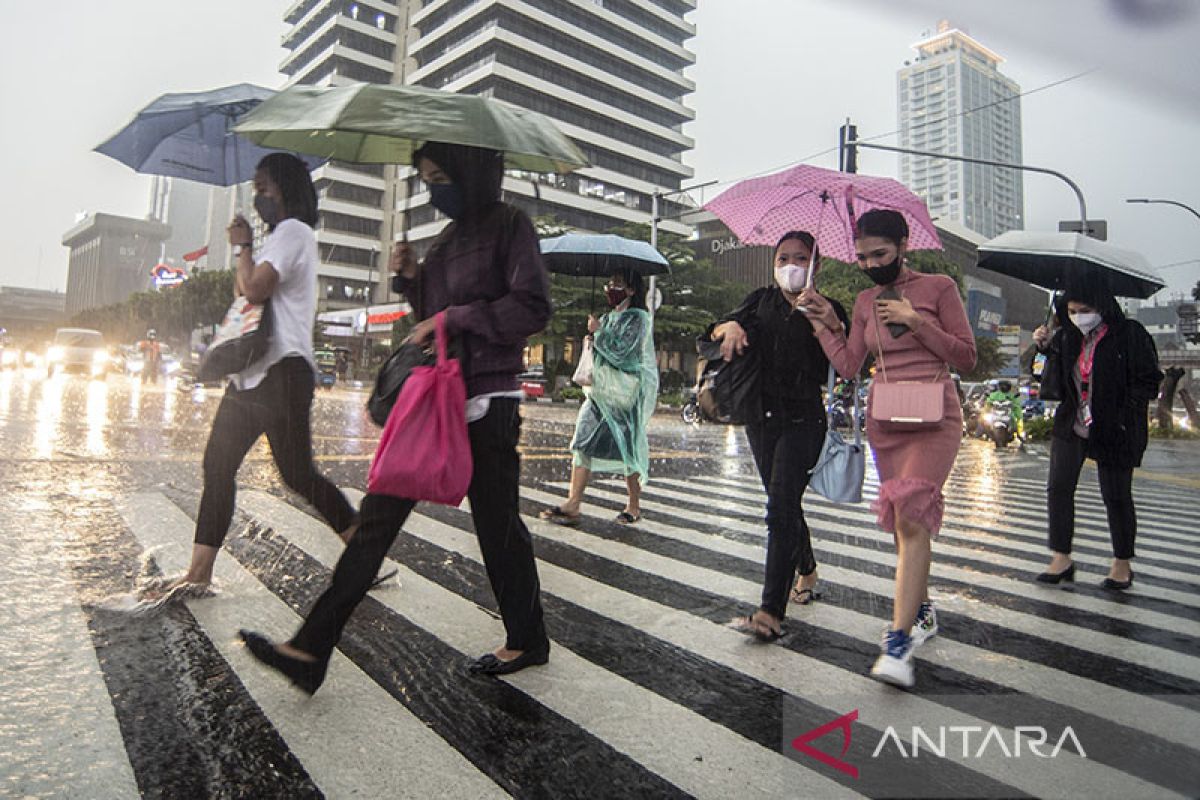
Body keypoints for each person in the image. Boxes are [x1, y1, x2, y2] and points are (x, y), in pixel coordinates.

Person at [240, 141, 553, 692]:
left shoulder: (511, 225)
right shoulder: (447, 238)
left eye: (441, 177)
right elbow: (428, 319)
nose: (435, 189)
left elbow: (532, 308)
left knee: (498, 528)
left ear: (469, 172)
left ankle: (527, 637)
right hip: (435, 400)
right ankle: (309, 650)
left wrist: (453, 316)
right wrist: (412, 281)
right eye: (428, 179)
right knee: (376, 520)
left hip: (489, 403)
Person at [147, 153, 359, 598]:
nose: (259, 197)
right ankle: (198, 573)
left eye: (264, 189)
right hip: (252, 373)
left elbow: (255, 288)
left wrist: (243, 246)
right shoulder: (278, 239)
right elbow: (243, 295)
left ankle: (364, 556)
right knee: (219, 465)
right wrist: (245, 250)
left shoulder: (294, 232)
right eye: (256, 190)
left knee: (298, 474)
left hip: (281, 370)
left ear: (286, 188)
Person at [800, 209, 976, 689]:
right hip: (887, 417)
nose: (870, 263)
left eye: (879, 254)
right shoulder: (863, 300)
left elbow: (966, 355)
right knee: (902, 525)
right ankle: (920, 611)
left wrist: (915, 321)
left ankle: (898, 645)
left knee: (911, 518)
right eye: (861, 256)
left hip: (934, 414)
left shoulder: (939, 288)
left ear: (903, 245)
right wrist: (823, 325)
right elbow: (852, 364)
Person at [707, 231, 848, 641]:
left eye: (800, 258)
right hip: (760, 418)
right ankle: (806, 567)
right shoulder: (759, 301)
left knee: (782, 504)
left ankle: (770, 610)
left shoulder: (828, 308)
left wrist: (833, 325)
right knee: (780, 502)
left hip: (804, 420)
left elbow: (850, 362)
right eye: (783, 258)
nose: (791, 265)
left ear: (816, 265)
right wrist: (728, 326)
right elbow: (711, 333)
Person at [1032, 284, 1162, 590]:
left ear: (1103, 307)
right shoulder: (1065, 337)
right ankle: (1061, 557)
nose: (1079, 317)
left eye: (1085, 311)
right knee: (1058, 488)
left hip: (1115, 427)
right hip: (1072, 422)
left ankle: (1122, 563)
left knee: (1115, 495)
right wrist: (1042, 348)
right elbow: (1042, 377)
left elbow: (1150, 380)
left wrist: (1125, 408)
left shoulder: (1130, 334)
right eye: (1073, 312)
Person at [539, 268, 658, 526]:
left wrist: (600, 333)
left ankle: (633, 505)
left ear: (631, 290)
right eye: (609, 283)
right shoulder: (607, 316)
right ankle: (573, 503)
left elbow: (624, 352)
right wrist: (593, 337)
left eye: (617, 284)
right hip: (598, 393)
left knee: (626, 448)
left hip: (623, 395)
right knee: (581, 442)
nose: (610, 288)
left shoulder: (638, 318)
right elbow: (604, 352)